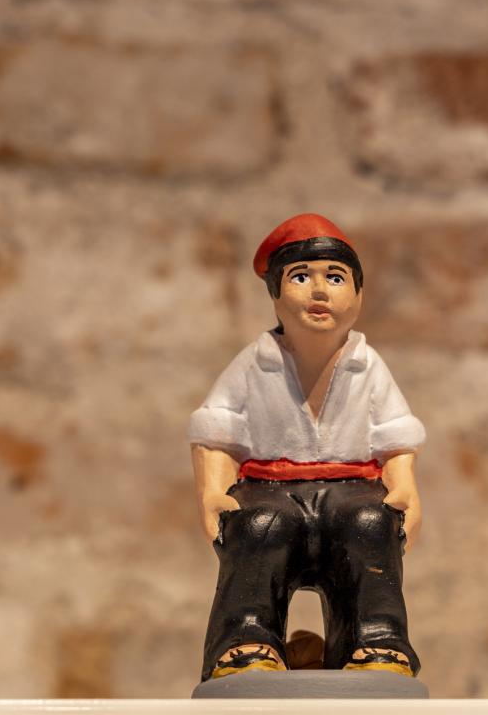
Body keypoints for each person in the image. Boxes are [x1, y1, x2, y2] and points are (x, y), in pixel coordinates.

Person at [189, 213, 424, 681]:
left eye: (335, 278)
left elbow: (396, 440)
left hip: (353, 487)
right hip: (269, 488)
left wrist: (404, 489)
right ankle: (245, 640)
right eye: (300, 277)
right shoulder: (253, 365)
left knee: (370, 522)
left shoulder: (367, 365)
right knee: (258, 525)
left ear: (358, 295)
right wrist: (213, 491)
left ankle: (375, 641)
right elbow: (216, 434)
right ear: (275, 294)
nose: (319, 291)